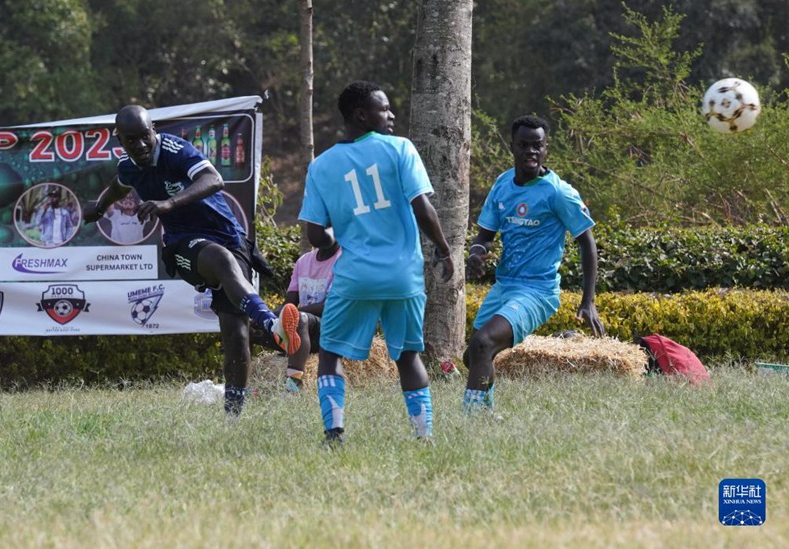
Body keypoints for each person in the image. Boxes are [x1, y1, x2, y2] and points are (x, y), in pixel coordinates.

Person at [83, 105, 301, 415]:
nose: (142, 145)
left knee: (236, 331)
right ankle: (270, 322)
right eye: (132, 140)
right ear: (120, 139)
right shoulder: (128, 166)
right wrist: (101, 206)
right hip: (182, 242)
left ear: (153, 130)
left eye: (146, 136)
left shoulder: (176, 150)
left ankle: (232, 418)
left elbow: (213, 179)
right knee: (222, 261)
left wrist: (169, 203)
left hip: (228, 235)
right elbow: (119, 184)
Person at [299, 81, 454, 445]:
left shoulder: (321, 166)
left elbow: (314, 235)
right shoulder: (401, 149)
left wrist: (335, 238)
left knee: (331, 353)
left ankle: (334, 433)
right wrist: (444, 250)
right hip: (403, 277)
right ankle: (424, 436)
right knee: (407, 356)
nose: (392, 115)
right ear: (361, 114)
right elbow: (422, 207)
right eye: (385, 109)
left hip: (355, 279)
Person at [464, 114, 605, 412]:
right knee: (472, 356)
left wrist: (588, 301)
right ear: (513, 148)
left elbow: (587, 243)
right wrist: (476, 253)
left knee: (483, 344)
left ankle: (475, 418)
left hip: (537, 291)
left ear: (546, 149)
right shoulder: (503, 184)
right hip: (505, 287)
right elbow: (484, 236)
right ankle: (484, 410)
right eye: (524, 145)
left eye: (537, 145)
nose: (531, 151)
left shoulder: (558, 192)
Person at [250, 232, 342, 394]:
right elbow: (289, 304)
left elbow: (330, 306)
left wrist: (291, 314)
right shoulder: (303, 261)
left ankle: (293, 386)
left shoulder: (345, 260)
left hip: (331, 330)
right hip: (302, 330)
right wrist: (264, 316)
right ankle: (245, 385)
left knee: (298, 319)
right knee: (249, 326)